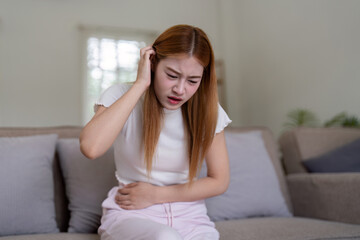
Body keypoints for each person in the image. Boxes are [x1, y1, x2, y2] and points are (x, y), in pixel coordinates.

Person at [80, 24, 231, 240]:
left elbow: (220, 180)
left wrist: (156, 195)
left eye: (192, 81)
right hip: (131, 215)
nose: (180, 90)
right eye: (171, 75)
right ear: (152, 64)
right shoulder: (120, 95)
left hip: (191, 219)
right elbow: (91, 148)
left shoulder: (210, 112)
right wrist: (141, 84)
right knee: (165, 237)